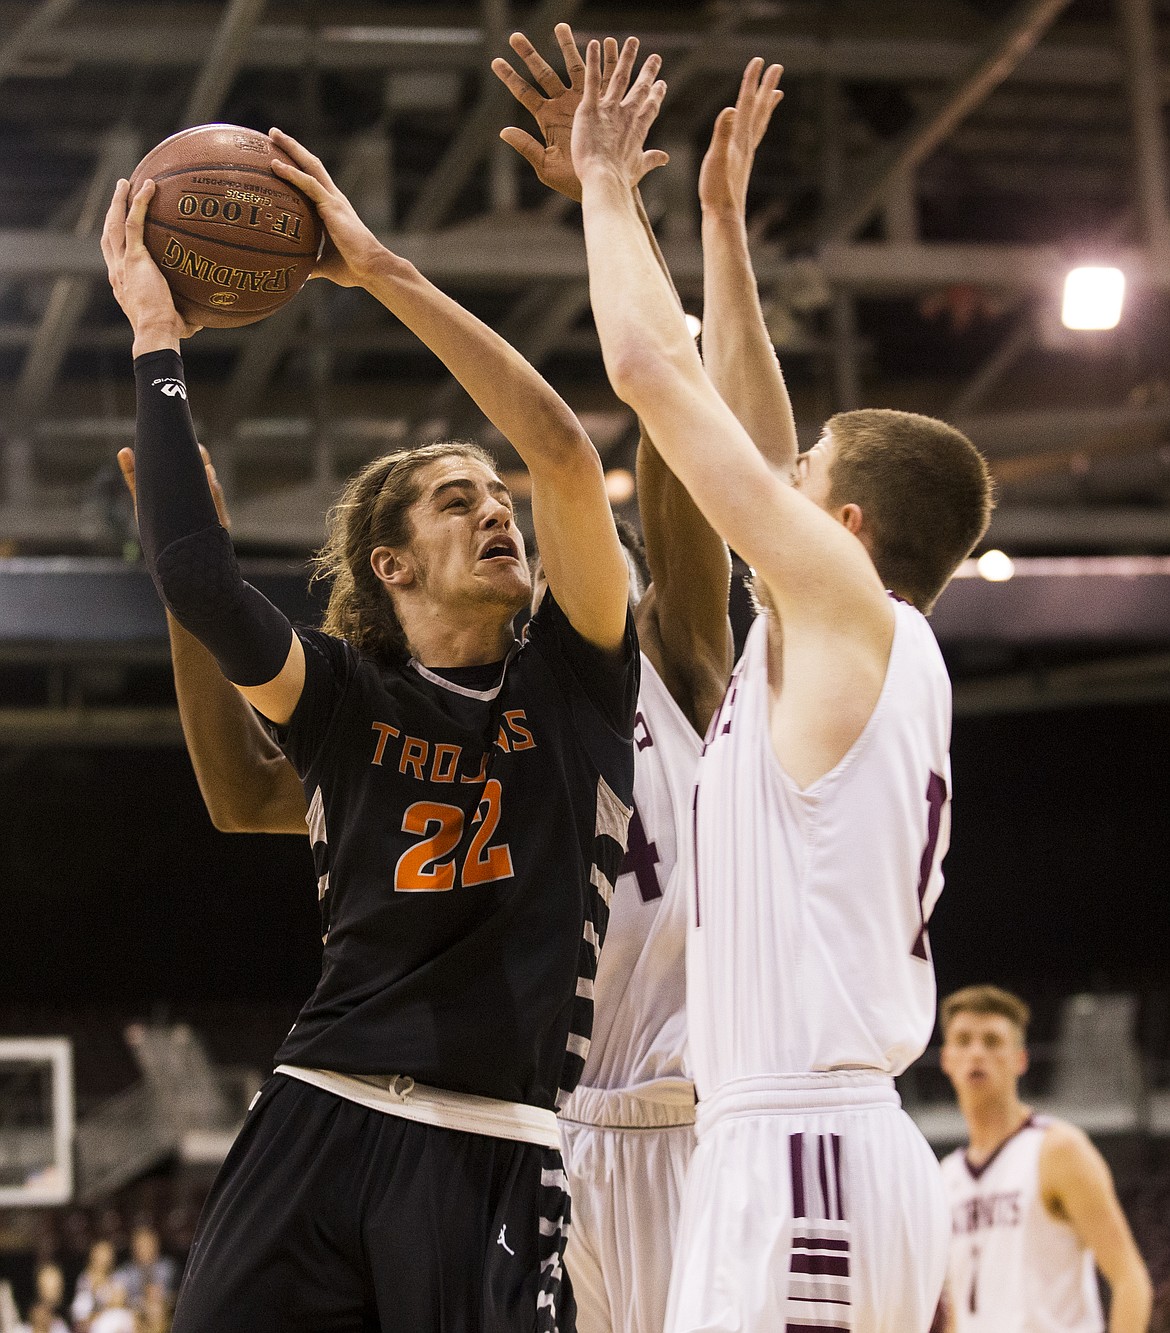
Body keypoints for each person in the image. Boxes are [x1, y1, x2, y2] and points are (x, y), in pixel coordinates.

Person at [117, 28, 735, 1333]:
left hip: (572, 1130)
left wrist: (381, 264)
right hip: (328, 1111)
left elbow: (586, 445)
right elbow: (200, 598)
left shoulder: (589, 681)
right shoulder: (347, 703)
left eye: (495, 496)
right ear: (389, 563)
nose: (499, 514)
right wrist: (156, 346)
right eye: (460, 504)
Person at [571, 37, 994, 1333]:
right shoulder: (842, 638)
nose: (780, 475)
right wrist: (716, 226)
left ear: (847, 525)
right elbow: (752, 435)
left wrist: (599, 183)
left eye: (806, 474)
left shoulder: (847, 617)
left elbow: (650, 375)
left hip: (805, 1148)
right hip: (781, 1142)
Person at [939, 985, 1152, 1333]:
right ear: (947, 1058)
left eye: (992, 1041)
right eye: (963, 1040)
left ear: (1020, 1059)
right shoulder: (945, 1176)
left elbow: (1131, 1278)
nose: (976, 1052)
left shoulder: (1058, 1149)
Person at [113, 1225, 176, 1316]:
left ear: (156, 1245)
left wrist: (161, 1298)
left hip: (166, 1315)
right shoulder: (124, 1272)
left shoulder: (168, 1267)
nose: (145, 1249)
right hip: (135, 1317)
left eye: (148, 1245)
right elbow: (119, 1301)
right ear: (133, 1248)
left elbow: (177, 1296)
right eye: (140, 1246)